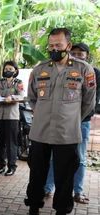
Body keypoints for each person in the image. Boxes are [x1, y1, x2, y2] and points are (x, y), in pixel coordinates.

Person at [22, 28, 96, 215]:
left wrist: (72, 119)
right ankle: (33, 214)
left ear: (68, 46)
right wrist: (42, 115)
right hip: (40, 133)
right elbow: (32, 98)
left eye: (59, 46)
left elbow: (89, 101)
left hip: (67, 134)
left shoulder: (84, 69)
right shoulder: (40, 70)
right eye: (51, 46)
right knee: (37, 175)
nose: (54, 49)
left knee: (65, 179)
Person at [44, 42, 100, 204]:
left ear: (87, 56)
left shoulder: (93, 72)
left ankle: (78, 191)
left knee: (80, 157)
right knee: (55, 156)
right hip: (61, 122)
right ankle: (48, 188)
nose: (76, 56)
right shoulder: (62, 69)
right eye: (73, 53)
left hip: (82, 122)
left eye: (80, 54)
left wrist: (79, 116)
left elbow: (92, 99)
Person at [0, 60, 25, 176]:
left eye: (10, 70)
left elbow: (22, 97)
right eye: (6, 69)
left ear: (15, 71)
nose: (8, 71)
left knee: (11, 142)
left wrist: (11, 97)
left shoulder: (18, 83)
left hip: (12, 117)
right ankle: (1, 165)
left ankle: (12, 166)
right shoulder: (0, 82)